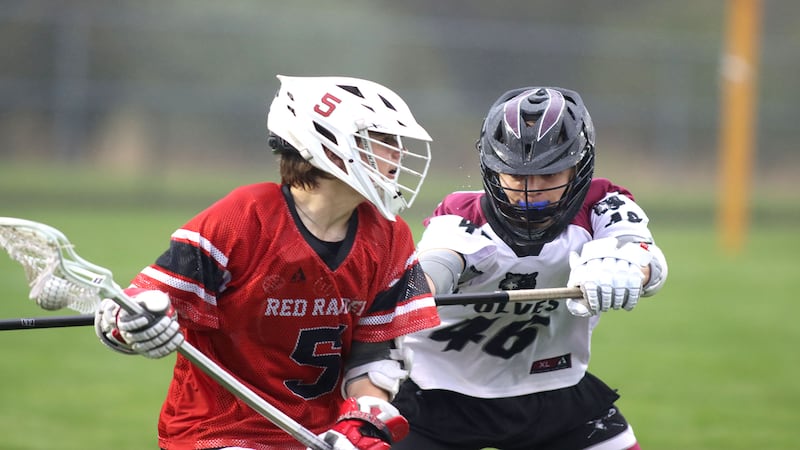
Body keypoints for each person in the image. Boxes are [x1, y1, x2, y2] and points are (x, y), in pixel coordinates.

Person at [93, 75, 441, 450]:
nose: (399, 154)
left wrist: (362, 418)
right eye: (383, 140)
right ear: (330, 146)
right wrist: (130, 323)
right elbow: (133, 308)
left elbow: (375, 351)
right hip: (217, 432)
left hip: (316, 436)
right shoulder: (241, 219)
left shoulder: (389, 236)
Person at [391, 86, 668, 450]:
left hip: (553, 393)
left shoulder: (602, 203)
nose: (531, 191)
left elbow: (642, 254)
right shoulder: (462, 215)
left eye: (549, 176)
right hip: (437, 397)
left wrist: (625, 267)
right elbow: (436, 265)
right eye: (516, 177)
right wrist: (414, 290)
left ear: (578, 166)